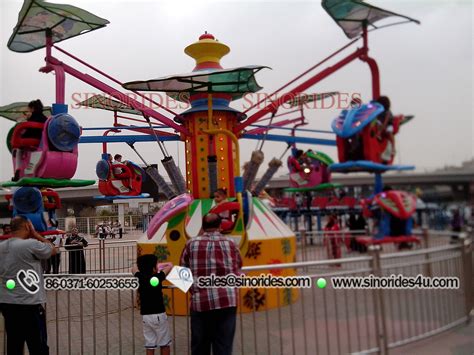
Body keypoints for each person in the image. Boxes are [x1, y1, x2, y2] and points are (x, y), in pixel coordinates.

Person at [180, 213, 243, 355]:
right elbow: (239, 266)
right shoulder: (231, 243)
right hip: (227, 301)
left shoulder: (191, 244)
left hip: (200, 304)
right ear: (220, 226)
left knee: (200, 346)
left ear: (202, 226)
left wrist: (193, 290)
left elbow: (181, 271)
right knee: (224, 346)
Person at [0, 216, 57, 355]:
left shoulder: (1, 247)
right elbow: (53, 250)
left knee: (14, 343)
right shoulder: (30, 244)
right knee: (37, 344)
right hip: (29, 303)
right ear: (27, 226)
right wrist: (36, 234)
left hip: (7, 303)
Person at [133, 255, 173, 355]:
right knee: (164, 343)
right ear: (153, 267)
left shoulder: (140, 277)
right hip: (159, 314)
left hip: (146, 316)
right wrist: (159, 267)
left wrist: (142, 268)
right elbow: (170, 267)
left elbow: (133, 268)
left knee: (150, 344)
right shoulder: (155, 279)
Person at [374, 96, 395, 164]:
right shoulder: (379, 111)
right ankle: (378, 134)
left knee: (389, 132)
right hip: (381, 123)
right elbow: (376, 119)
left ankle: (393, 147)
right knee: (377, 123)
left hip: (389, 124)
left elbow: (386, 120)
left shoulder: (387, 112)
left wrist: (383, 128)